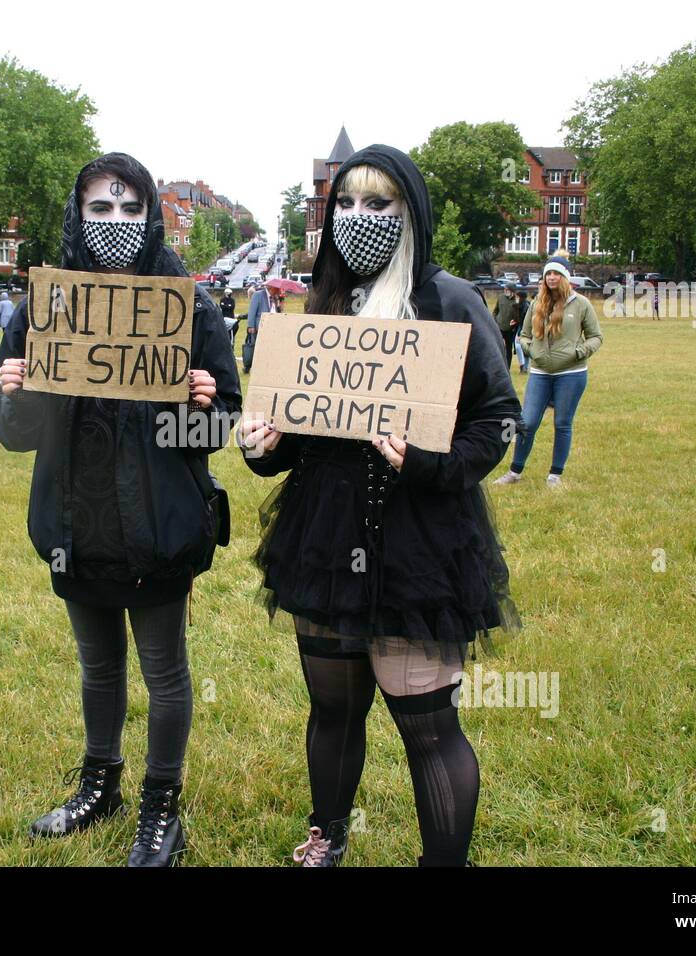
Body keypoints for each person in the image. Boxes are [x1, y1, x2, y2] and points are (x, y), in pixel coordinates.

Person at [238, 145, 521, 867]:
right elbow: (299, 434)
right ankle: (327, 834)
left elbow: (498, 420)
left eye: (378, 202)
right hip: (327, 537)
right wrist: (262, 445)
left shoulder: (449, 300)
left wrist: (429, 463)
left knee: (427, 727)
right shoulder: (325, 303)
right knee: (333, 709)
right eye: (346, 203)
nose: (358, 216)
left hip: (419, 539)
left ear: (410, 211)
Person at [0, 152, 240, 867]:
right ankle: (99, 785)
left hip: (159, 526)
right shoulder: (45, 309)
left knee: (164, 670)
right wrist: (14, 394)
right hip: (76, 523)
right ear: (78, 217)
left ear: (152, 217)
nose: (117, 221)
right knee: (97, 668)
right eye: (101, 208)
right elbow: (15, 435)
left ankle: (162, 806)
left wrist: (200, 406)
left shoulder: (189, 308)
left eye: (132, 208)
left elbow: (222, 426)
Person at [493, 250, 603, 488]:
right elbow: (523, 335)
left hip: (571, 374)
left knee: (562, 423)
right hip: (540, 373)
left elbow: (596, 337)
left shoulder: (581, 304)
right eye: (548, 274)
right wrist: (531, 350)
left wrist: (578, 352)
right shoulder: (536, 304)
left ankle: (555, 475)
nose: (552, 277)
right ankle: (514, 472)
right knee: (528, 422)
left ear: (565, 277)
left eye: (556, 273)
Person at [243, 280, 272, 372]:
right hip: (258, 327)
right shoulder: (258, 295)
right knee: (254, 348)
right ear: (271, 287)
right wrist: (251, 325)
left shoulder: (274, 298)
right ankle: (248, 366)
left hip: (270, 327)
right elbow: (252, 311)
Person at [492, 284, 520, 371]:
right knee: (497, 347)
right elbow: (495, 311)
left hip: (510, 329)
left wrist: (517, 304)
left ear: (513, 291)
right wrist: (495, 320)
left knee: (508, 349)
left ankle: (507, 368)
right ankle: (497, 366)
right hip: (499, 327)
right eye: (504, 289)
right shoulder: (501, 297)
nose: (505, 291)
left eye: (507, 289)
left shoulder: (517, 300)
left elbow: (519, 315)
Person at [514, 289, 530, 372]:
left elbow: (525, 320)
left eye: (517, 297)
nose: (516, 298)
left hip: (524, 329)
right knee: (519, 347)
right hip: (520, 328)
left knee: (521, 347)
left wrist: (521, 332)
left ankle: (524, 366)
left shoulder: (526, 306)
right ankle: (523, 366)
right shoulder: (519, 306)